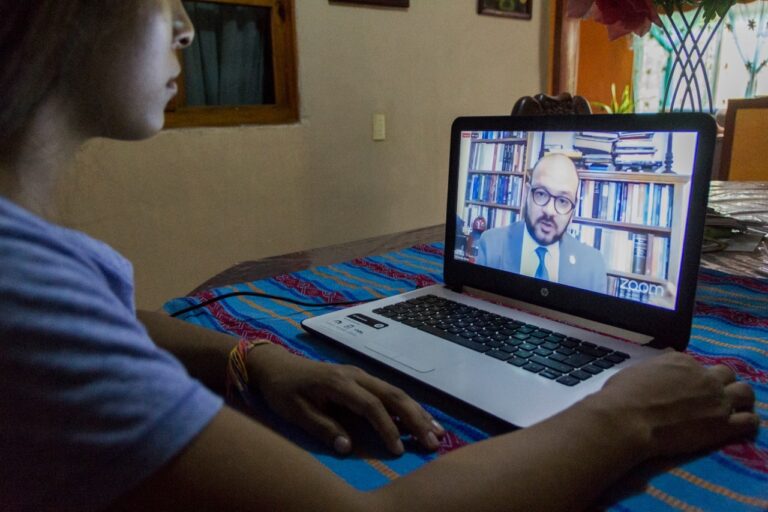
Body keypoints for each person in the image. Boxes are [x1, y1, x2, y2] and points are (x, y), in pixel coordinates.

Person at [0, 2, 758, 511]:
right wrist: (624, 420)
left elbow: (106, 322)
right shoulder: (21, 290)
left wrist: (252, 359)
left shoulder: (35, 269)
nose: (189, 27)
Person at [476, 154, 607, 293]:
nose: (549, 211)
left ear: (572, 212)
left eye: (563, 201)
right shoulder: (491, 245)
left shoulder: (593, 266)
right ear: (526, 194)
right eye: (541, 194)